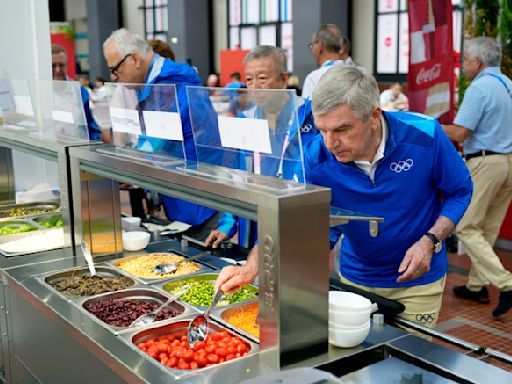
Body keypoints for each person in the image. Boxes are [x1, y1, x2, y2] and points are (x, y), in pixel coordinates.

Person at [216, 65, 473, 329]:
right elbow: (292, 221)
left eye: (341, 130)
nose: (330, 143)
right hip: (355, 278)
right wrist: (252, 267)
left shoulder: (425, 134)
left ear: (374, 116)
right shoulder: (315, 157)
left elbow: (460, 191)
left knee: (411, 364)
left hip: (418, 282)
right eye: (322, 130)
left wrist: (430, 241)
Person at [103, 28, 220, 240]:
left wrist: (121, 166)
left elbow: (153, 143)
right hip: (185, 188)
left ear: (135, 59)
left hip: (198, 195)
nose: (115, 77)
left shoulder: (167, 86)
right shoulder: (159, 82)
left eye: (116, 69)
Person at [205, 46, 318, 249]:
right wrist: (227, 224)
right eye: (249, 79)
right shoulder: (244, 120)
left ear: (284, 79)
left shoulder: (310, 116)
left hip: (298, 219)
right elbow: (236, 177)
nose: (255, 86)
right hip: (255, 219)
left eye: (262, 78)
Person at [442, 37, 512, 317]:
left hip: (486, 162)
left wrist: (424, 123)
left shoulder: (480, 88)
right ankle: (476, 285)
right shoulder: (508, 84)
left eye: (465, 60)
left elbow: (460, 134)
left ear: (478, 62)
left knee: (467, 226)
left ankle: (506, 283)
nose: (463, 65)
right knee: (488, 227)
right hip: (509, 162)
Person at [51, 44, 102, 141]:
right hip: (50, 150)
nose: (57, 70)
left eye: (61, 65)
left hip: (76, 149)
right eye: (53, 65)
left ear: (67, 65)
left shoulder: (79, 92)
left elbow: (91, 126)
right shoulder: (42, 93)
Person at [302, 24, 350, 99]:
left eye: (312, 45)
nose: (312, 50)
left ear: (320, 46)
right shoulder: (358, 73)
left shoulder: (314, 78)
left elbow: (307, 110)